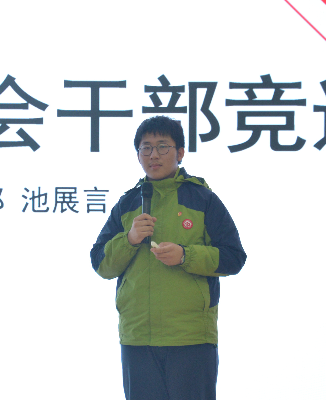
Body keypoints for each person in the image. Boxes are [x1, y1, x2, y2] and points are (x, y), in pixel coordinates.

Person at [90, 115, 246, 400]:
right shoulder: (127, 203)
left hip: (190, 337)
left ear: (180, 152)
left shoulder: (203, 199)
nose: (154, 155)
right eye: (146, 148)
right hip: (138, 337)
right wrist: (129, 240)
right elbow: (100, 264)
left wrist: (186, 255)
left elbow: (234, 257)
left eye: (163, 146)